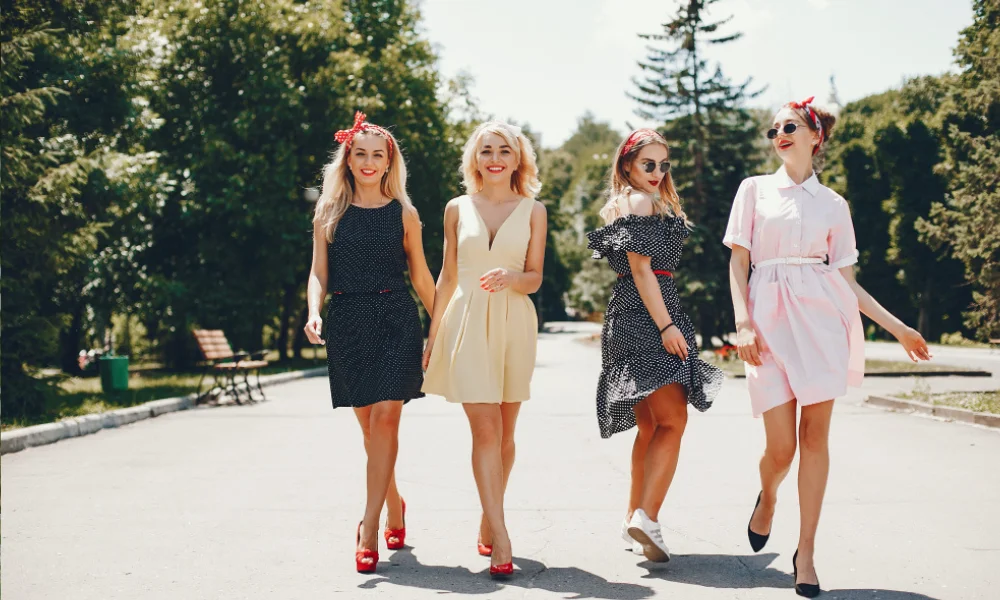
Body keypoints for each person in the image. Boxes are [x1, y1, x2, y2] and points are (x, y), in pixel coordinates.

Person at [724, 97, 931, 597]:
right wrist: (743, 322)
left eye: (789, 126)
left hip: (821, 324)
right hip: (767, 324)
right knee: (781, 449)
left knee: (815, 439)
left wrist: (899, 328)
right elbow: (738, 263)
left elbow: (845, 283)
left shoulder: (834, 205)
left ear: (816, 137)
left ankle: (807, 553)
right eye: (774, 129)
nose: (779, 135)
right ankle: (768, 497)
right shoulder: (753, 190)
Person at [303, 112, 435, 574]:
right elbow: (318, 271)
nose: (368, 161)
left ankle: (370, 525)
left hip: (396, 316)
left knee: (386, 421)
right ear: (348, 158)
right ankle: (396, 502)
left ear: (388, 161)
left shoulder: (406, 213)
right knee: (369, 428)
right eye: (360, 153)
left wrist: (441, 322)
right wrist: (314, 309)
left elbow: (419, 274)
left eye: (377, 154)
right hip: (348, 321)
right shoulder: (329, 211)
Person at [587, 128, 724, 563]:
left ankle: (634, 515)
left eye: (664, 165)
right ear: (627, 164)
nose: (658, 172)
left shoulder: (619, 205)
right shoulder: (642, 202)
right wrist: (666, 325)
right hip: (651, 313)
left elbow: (633, 272)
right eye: (649, 164)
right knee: (672, 422)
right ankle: (648, 516)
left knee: (649, 427)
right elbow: (644, 270)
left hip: (623, 315)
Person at [421, 121, 547, 579]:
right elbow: (446, 277)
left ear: (517, 159)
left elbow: (535, 277)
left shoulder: (534, 210)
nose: (495, 157)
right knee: (486, 432)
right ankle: (502, 533)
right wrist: (433, 335)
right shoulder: (456, 208)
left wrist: (514, 280)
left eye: (504, 150)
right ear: (475, 159)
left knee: (507, 436)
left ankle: (486, 515)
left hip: (515, 323)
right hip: (467, 322)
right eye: (486, 150)